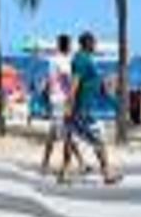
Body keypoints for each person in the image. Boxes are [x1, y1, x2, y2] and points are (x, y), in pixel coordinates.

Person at [63, 32, 121, 185]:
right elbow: (74, 83)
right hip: (82, 108)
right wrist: (69, 105)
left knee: (71, 138)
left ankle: (64, 173)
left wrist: (105, 89)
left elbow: (91, 82)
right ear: (88, 43)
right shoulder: (81, 59)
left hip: (84, 107)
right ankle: (107, 174)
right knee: (98, 141)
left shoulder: (85, 59)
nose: (96, 45)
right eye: (94, 42)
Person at [41, 34, 86, 175]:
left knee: (54, 132)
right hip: (62, 100)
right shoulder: (62, 61)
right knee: (67, 133)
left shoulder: (52, 60)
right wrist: (76, 92)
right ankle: (75, 165)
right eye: (70, 44)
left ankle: (45, 164)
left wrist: (46, 95)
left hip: (55, 98)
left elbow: (50, 80)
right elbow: (68, 79)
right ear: (67, 45)